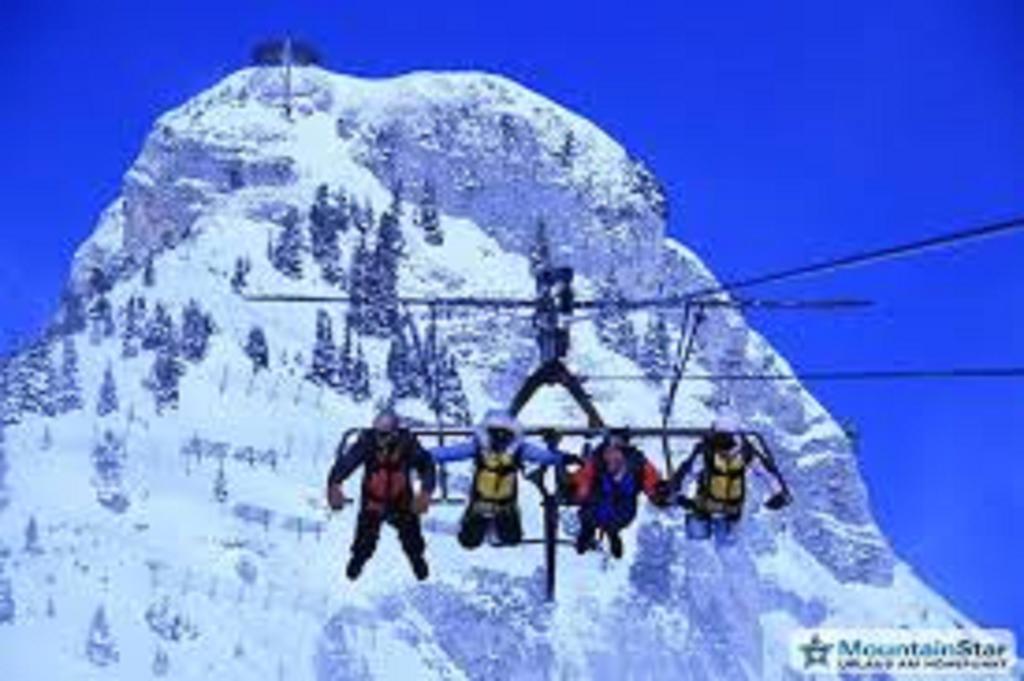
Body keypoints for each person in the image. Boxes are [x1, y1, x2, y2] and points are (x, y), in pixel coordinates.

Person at [325, 411, 436, 581]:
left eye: (384, 435)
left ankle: (417, 560)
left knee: (411, 535)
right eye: (378, 434)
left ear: (395, 433)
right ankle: (358, 561)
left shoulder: (407, 444)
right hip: (373, 500)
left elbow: (426, 465)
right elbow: (347, 463)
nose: (380, 439)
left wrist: (425, 491)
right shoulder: (367, 442)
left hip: (401, 499)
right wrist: (334, 484)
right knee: (364, 537)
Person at [432, 409, 561, 548]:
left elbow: (543, 456)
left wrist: (561, 457)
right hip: (481, 503)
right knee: (468, 541)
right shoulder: (479, 448)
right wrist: (423, 455)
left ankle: (493, 531)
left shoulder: (518, 450)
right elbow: (451, 452)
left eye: (504, 434)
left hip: (505, 505)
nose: (500, 438)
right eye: (496, 433)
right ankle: (483, 530)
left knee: (512, 538)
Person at [669, 415, 791, 543]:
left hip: (729, 510)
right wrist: (678, 493)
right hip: (707, 506)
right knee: (698, 541)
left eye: (726, 439)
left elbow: (765, 473)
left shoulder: (744, 453)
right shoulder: (708, 451)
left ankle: (721, 540)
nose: (722, 445)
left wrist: (778, 492)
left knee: (727, 546)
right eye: (719, 438)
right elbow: (690, 471)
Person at [571, 430, 668, 558]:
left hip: (623, 503)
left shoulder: (636, 459)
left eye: (619, 442)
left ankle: (612, 534)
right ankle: (588, 533)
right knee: (590, 519)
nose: (614, 446)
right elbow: (586, 476)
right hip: (598, 501)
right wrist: (581, 492)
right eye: (612, 442)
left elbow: (649, 477)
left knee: (612, 521)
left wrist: (655, 491)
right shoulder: (598, 457)